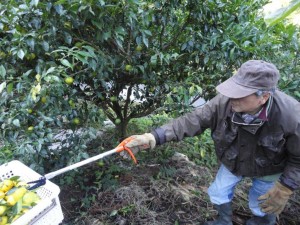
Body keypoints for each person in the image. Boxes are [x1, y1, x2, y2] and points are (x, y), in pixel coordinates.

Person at [120, 60, 300, 225]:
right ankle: (224, 221)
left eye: (241, 94)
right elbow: (193, 120)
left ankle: (261, 222)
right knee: (218, 192)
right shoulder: (225, 103)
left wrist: (285, 187)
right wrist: (153, 137)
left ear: (264, 96)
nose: (232, 98)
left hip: (269, 168)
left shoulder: (291, 116)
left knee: (263, 204)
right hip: (233, 160)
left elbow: (298, 158)